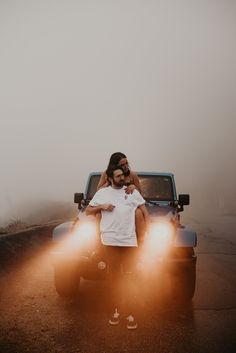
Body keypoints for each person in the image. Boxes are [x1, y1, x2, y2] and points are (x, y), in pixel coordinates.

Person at [86, 165, 149, 329]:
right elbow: (88, 211)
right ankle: (116, 310)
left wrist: (148, 229)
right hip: (110, 242)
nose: (122, 178)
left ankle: (130, 313)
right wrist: (102, 206)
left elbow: (144, 210)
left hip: (129, 242)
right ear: (110, 178)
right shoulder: (102, 193)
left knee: (130, 278)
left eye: (123, 175)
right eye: (119, 176)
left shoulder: (131, 192)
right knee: (113, 279)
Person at [97, 152, 146, 244]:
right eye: (122, 164)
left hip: (128, 203)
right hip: (111, 203)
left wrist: (133, 187)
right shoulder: (106, 174)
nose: (126, 166)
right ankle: (97, 242)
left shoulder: (132, 175)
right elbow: (98, 190)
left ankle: (141, 241)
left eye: (127, 163)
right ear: (115, 166)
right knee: (98, 215)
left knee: (138, 213)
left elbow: (140, 193)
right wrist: (109, 181)